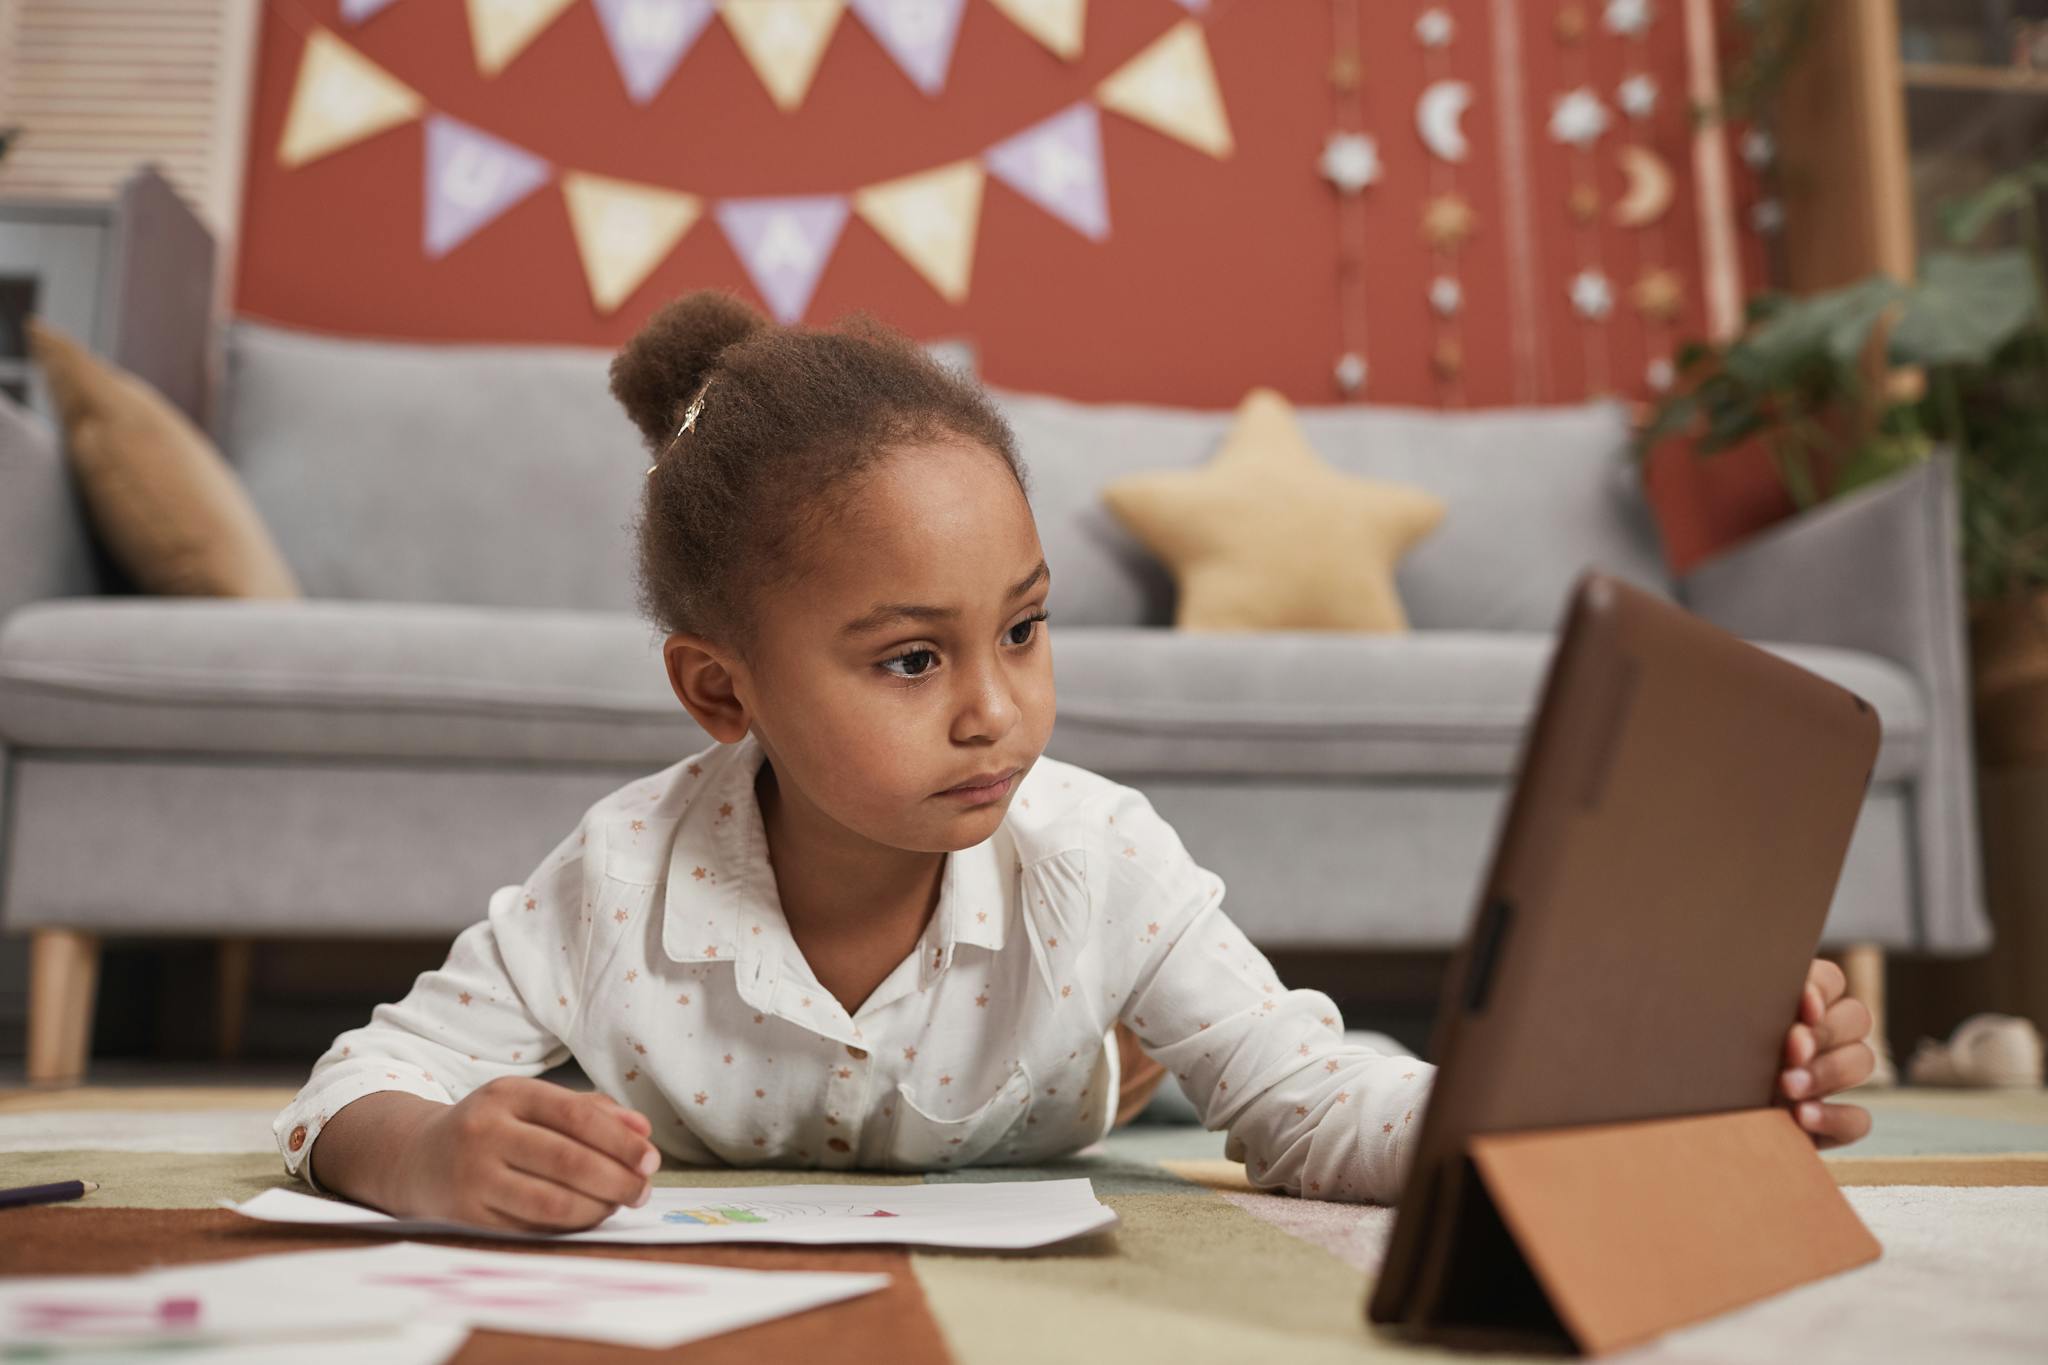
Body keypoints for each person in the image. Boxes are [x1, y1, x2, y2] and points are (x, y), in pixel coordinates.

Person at [273, 292, 1876, 1232]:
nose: (995, 710)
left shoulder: (1098, 855)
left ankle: (1135, 1052)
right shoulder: (615, 877)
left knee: (1161, 1061)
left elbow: (1319, 1107)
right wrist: (423, 1150)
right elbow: (360, 1078)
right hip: (1022, 1049)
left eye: (1024, 630)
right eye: (913, 660)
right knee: (1133, 1042)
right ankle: (1133, 1049)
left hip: (1046, 1082)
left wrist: (1627, 1095)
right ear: (719, 692)